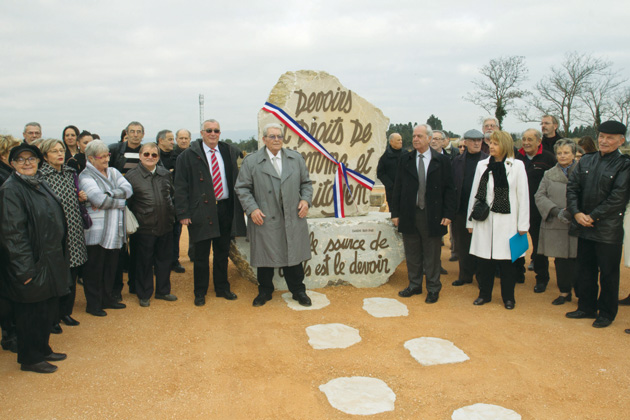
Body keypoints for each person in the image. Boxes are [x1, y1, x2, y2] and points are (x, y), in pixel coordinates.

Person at [0, 143, 71, 373]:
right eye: (20, 160)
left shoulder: (39, 182)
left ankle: (42, 349)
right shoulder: (11, 189)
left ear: (39, 161)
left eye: (31, 158)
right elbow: (13, 234)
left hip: (48, 259)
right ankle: (30, 358)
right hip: (31, 263)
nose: (27, 163)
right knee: (30, 313)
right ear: (12, 164)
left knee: (46, 309)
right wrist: (24, 270)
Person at [235, 123, 313, 307]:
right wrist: (252, 208)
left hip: (292, 216)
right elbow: (242, 188)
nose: (276, 139)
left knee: (293, 255)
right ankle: (265, 291)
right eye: (272, 136)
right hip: (264, 216)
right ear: (263, 139)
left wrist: (306, 200)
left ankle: (298, 291)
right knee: (265, 257)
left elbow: (306, 184)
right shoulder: (251, 161)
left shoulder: (295, 159)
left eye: (279, 136)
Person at [566, 121, 630, 328]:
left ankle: (606, 313)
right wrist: (576, 213)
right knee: (585, 270)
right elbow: (572, 188)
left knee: (609, 274)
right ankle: (586, 307)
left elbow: (618, 197)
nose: (604, 141)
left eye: (610, 137)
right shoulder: (586, 160)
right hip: (583, 225)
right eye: (601, 136)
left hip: (607, 230)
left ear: (621, 140)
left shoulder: (625, 164)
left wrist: (592, 216)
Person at [175, 119, 246, 306]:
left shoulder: (228, 151)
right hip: (201, 210)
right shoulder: (188, 156)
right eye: (209, 130)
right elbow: (180, 186)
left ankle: (222, 288)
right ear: (202, 132)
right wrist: (183, 213)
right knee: (201, 255)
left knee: (222, 252)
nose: (213, 133)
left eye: (216, 130)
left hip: (224, 208)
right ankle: (200, 291)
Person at [390, 124, 456, 304]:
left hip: (432, 214)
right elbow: (397, 188)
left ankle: (433, 288)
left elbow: (450, 189)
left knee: (431, 253)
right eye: (414, 136)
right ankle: (414, 285)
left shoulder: (441, 161)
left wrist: (448, 213)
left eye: (419, 136)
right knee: (412, 252)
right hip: (409, 213)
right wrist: (395, 213)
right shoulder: (406, 159)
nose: (415, 139)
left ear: (428, 138)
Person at [466, 130, 529, 310]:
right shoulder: (482, 165)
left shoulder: (517, 166)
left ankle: (508, 298)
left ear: (505, 145)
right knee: (484, 261)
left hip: (508, 222)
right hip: (485, 221)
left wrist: (523, 225)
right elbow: (475, 194)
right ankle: (484, 294)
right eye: (490, 143)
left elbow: (523, 196)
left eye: (495, 143)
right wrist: (470, 221)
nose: (491, 147)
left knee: (508, 263)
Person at [39, 139, 89, 330]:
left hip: (74, 230)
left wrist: (81, 198)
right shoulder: (41, 176)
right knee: (56, 276)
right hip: (54, 234)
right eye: (54, 151)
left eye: (61, 151)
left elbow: (75, 200)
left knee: (72, 273)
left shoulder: (70, 173)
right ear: (45, 156)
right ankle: (53, 318)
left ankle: (65, 313)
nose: (60, 154)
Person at [79, 140, 133, 317]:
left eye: (107, 155)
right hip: (96, 231)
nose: (105, 160)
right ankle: (93, 304)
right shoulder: (85, 176)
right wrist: (119, 201)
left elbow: (128, 190)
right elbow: (97, 200)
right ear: (90, 158)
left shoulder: (114, 172)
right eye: (101, 156)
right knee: (94, 269)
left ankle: (108, 298)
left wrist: (109, 196)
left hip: (115, 230)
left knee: (111, 267)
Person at [125, 143, 177, 307]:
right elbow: (129, 203)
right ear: (140, 156)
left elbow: (171, 194)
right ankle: (144, 293)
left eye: (154, 155)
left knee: (164, 260)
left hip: (165, 224)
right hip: (144, 228)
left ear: (158, 157)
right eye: (146, 154)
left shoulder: (164, 174)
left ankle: (163, 291)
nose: (150, 157)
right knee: (144, 262)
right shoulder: (131, 176)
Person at [534, 139, 578, 305]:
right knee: (561, 261)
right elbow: (539, 195)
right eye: (559, 153)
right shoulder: (549, 174)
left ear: (573, 154)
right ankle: (564, 292)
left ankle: (580, 292)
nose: (562, 156)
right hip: (557, 223)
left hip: (578, 222)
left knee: (578, 259)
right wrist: (555, 211)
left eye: (566, 152)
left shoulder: (583, 172)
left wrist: (577, 213)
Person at [516, 129, 556, 292]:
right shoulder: (516, 157)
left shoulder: (548, 158)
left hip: (538, 210)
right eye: (524, 139)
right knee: (517, 242)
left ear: (539, 141)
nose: (526, 142)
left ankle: (542, 278)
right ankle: (518, 273)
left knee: (539, 246)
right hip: (518, 208)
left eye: (530, 139)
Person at [451, 129, 488, 286]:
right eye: (473, 140)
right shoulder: (457, 161)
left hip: (482, 211)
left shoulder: (488, 160)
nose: (477, 143)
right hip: (461, 210)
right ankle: (465, 276)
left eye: (479, 140)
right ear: (465, 142)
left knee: (481, 244)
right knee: (462, 244)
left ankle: (481, 277)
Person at [0, 134, 21, 353]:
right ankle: (9, 334)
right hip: (7, 242)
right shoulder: (6, 179)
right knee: (7, 291)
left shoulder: (8, 174)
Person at [171, 128, 192, 273]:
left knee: (196, 229)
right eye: (181, 138)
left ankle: (194, 254)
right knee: (175, 231)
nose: (183, 140)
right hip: (175, 198)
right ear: (176, 140)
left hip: (193, 198)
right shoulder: (170, 156)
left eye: (186, 138)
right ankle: (174, 259)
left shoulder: (194, 154)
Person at [376, 133, 403, 208]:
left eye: (401, 140)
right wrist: (390, 185)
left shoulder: (406, 154)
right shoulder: (384, 156)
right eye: (398, 140)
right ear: (391, 142)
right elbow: (380, 173)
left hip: (405, 191)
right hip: (392, 192)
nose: (401, 142)